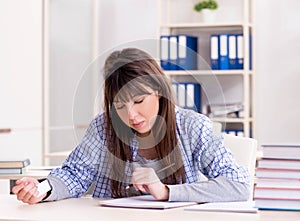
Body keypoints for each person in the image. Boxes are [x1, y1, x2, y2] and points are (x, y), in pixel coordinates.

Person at [12, 48, 250, 204]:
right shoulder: (103, 127)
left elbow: (238, 186)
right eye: (120, 105)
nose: (132, 115)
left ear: (158, 91)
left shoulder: (193, 127)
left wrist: (167, 192)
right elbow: (75, 174)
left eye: (138, 101)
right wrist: (42, 189)